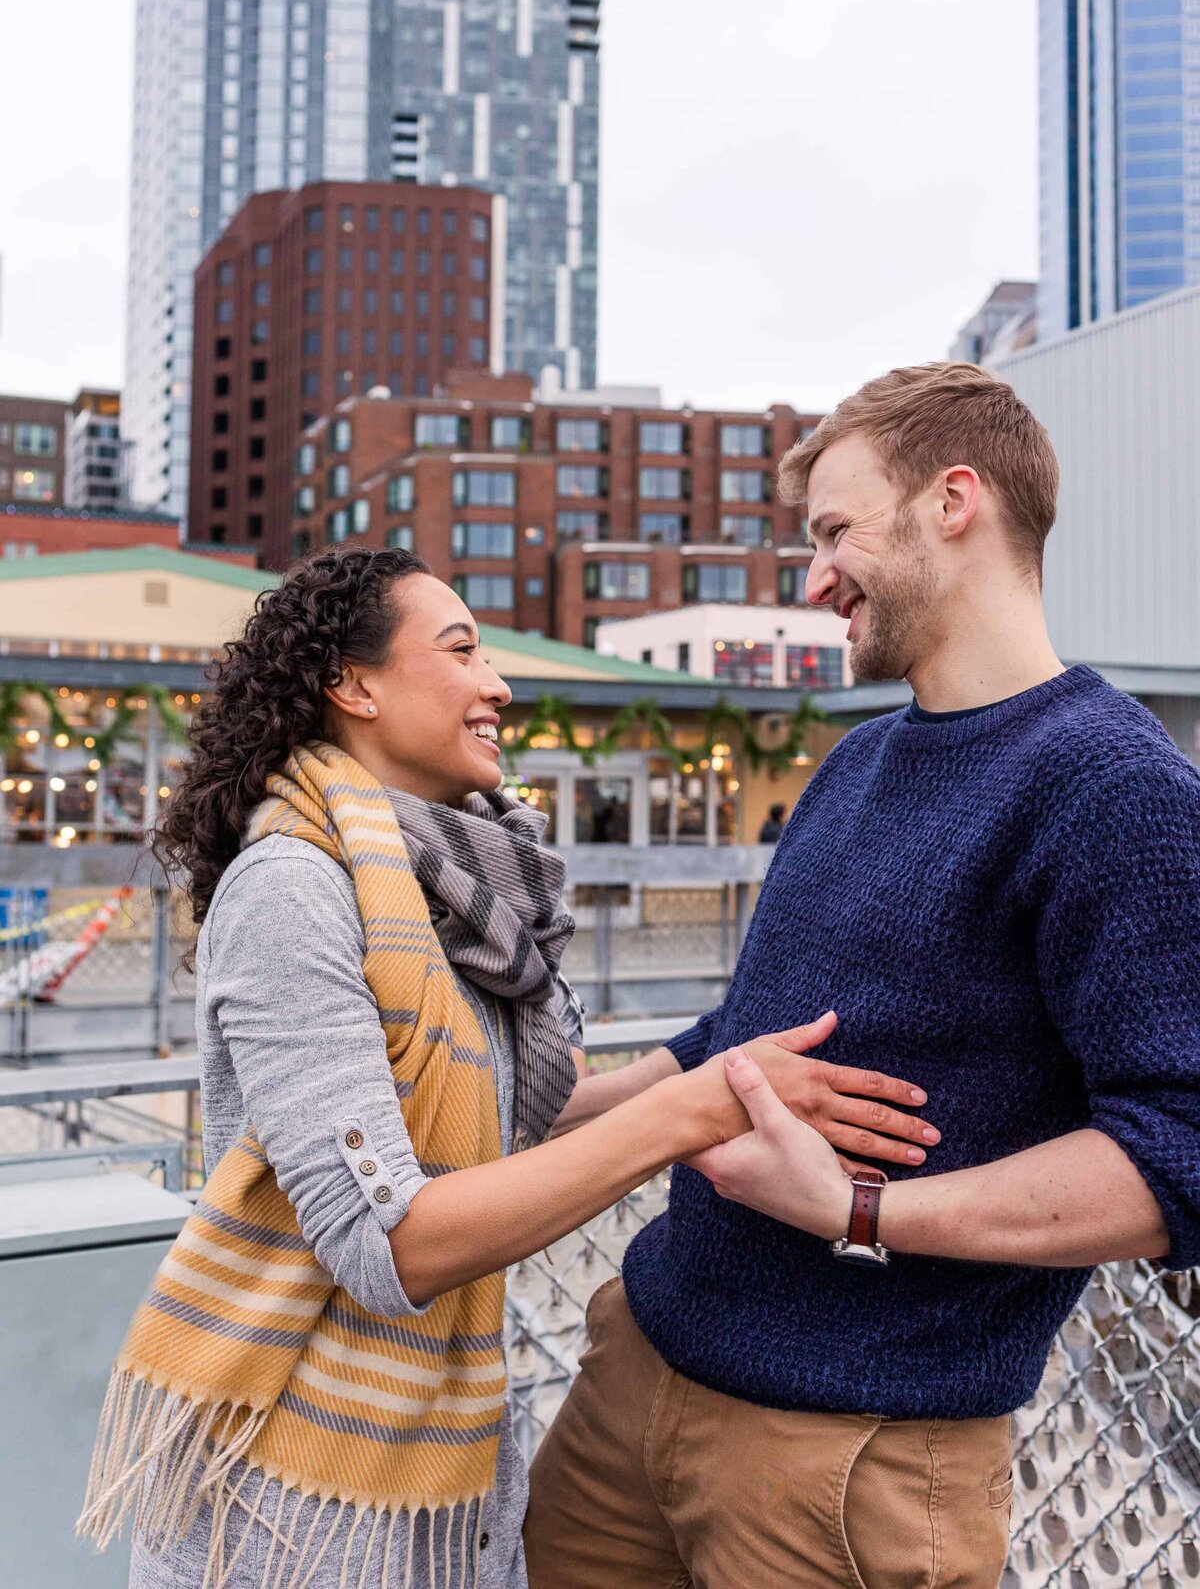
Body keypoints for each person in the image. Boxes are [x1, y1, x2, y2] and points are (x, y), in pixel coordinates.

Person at [79, 548, 935, 1589]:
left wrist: (723, 1056)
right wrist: (693, 1111)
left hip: (441, 1497)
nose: (499, 683)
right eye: (461, 650)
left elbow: (513, 1116)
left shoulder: (453, 895)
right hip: (292, 1511)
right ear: (352, 685)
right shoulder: (292, 888)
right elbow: (388, 1240)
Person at [524, 362, 1200, 1589]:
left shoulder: (1118, 789)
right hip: (636, 1368)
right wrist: (528, 1107)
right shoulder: (854, 761)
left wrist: (858, 1209)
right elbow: (741, 1037)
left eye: (836, 531)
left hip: (852, 1463)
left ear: (955, 500)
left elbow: (1179, 1153)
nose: (815, 577)